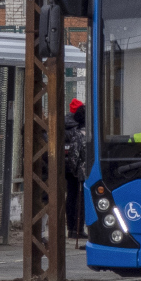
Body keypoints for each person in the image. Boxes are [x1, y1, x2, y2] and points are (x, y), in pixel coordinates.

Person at [65, 99, 87, 240]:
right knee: (81, 198)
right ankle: (78, 230)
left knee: (71, 196)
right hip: (79, 167)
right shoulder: (80, 131)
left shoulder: (64, 125)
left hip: (67, 166)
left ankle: (71, 228)